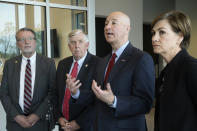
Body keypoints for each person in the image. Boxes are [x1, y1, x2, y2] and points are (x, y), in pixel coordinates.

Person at [91, 11, 155, 131]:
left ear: (127, 28)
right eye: (106, 23)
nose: (107, 27)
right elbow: (97, 98)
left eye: (113, 23)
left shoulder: (141, 58)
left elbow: (145, 103)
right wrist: (76, 94)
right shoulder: (103, 61)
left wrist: (114, 101)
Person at [0, 27, 56, 131]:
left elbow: (52, 92)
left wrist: (37, 115)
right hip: (15, 124)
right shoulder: (9, 64)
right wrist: (16, 116)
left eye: (30, 38)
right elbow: (3, 93)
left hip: (40, 122)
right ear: (17, 44)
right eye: (22, 39)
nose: (27, 42)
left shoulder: (49, 63)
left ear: (35, 42)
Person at [151, 10, 197, 131]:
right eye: (153, 33)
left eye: (162, 32)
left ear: (180, 37)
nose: (154, 38)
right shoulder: (164, 73)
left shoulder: (191, 67)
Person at [55, 29, 101, 131]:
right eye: (73, 42)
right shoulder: (62, 64)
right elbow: (56, 94)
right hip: (64, 124)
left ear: (87, 44)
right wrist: (59, 117)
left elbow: (98, 101)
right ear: (69, 46)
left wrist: (79, 123)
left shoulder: (98, 64)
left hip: (85, 126)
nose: (76, 46)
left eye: (80, 42)